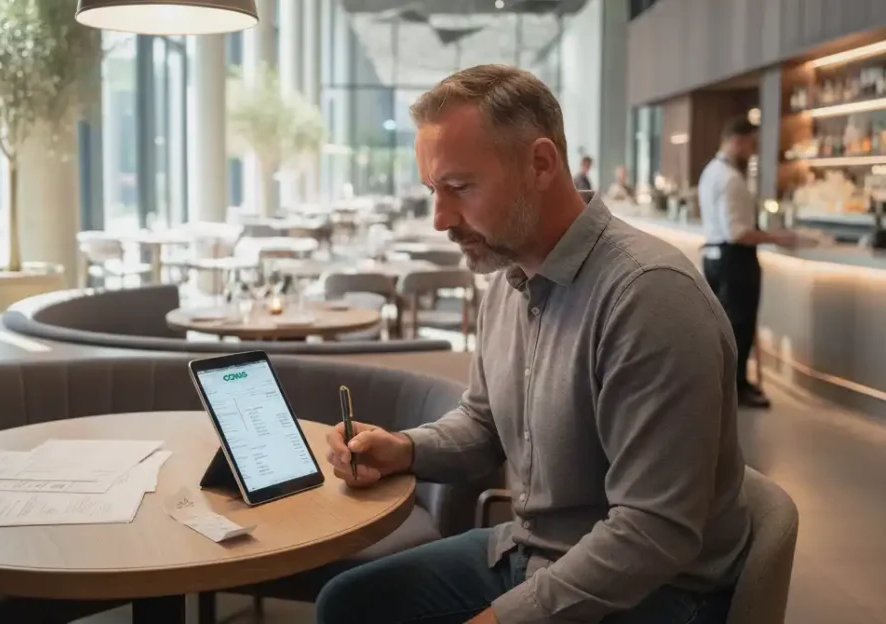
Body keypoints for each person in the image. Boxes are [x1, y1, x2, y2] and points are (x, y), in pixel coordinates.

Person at [316, 64, 751, 624]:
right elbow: (483, 423)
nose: (440, 219)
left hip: (654, 592)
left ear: (541, 164)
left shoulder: (649, 297)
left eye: (459, 187)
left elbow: (653, 532)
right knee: (348, 605)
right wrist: (405, 449)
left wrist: (503, 619)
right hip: (530, 553)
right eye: (432, 191)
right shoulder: (509, 277)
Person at [698, 117, 796, 410]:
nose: (753, 151)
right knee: (738, 326)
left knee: (721, 326)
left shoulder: (710, 171)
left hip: (713, 258)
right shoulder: (731, 179)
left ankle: (723, 382)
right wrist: (776, 237)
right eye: (751, 144)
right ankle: (737, 386)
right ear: (737, 140)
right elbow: (738, 233)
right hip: (734, 260)